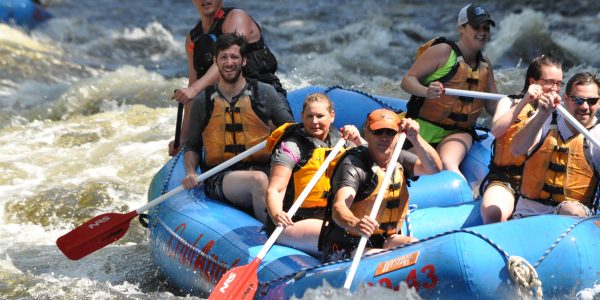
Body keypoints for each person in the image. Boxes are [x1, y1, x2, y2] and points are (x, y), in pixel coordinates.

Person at [181, 32, 293, 223]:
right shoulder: (204, 101)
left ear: (244, 61)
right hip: (221, 176)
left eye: (234, 57)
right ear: (216, 61)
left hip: (266, 169)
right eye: (223, 57)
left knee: (264, 178)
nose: (229, 62)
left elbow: (291, 132)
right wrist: (191, 171)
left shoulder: (264, 93)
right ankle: (270, 233)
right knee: (257, 181)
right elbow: (192, 146)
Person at [321, 109, 442, 262]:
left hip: (386, 239)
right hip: (347, 245)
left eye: (390, 132)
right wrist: (356, 223)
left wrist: (416, 138)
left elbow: (434, 168)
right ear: (367, 133)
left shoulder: (399, 159)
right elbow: (339, 207)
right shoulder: (354, 165)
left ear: (398, 135)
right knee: (382, 259)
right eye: (378, 132)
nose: (384, 137)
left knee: (416, 248)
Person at [169, 0, 286, 156]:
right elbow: (192, 85)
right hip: (225, 105)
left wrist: (194, 89)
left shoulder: (236, 18)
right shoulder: (193, 39)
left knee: (283, 135)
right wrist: (183, 139)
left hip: (262, 97)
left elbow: (228, 60)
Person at [400, 3, 498, 180]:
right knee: (408, 165)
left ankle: (463, 197)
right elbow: (407, 80)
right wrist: (426, 91)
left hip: (458, 132)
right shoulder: (443, 51)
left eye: (486, 27)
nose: (482, 32)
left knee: (447, 163)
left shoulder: (486, 65)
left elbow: (492, 105)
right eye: (476, 26)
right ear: (462, 27)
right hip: (423, 128)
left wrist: (519, 105)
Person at [264, 93, 366, 255]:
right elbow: (276, 189)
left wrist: (358, 140)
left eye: (320, 116)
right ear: (302, 117)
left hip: (331, 216)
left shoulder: (342, 141)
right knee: (343, 233)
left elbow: (375, 166)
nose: (314, 121)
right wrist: (276, 213)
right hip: (293, 221)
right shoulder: (291, 147)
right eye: (309, 116)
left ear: (332, 116)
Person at [480, 55, 563, 224]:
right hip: (508, 179)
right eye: (549, 82)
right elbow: (496, 130)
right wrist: (525, 101)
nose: (555, 89)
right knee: (493, 214)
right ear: (533, 82)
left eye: (559, 83)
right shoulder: (509, 102)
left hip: (540, 185)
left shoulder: (560, 112)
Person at [510, 72, 600, 219]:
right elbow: (516, 149)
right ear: (565, 98)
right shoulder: (546, 118)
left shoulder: (597, 135)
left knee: (570, 209)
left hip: (574, 221)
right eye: (577, 100)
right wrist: (541, 115)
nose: (585, 106)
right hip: (528, 214)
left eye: (592, 101)